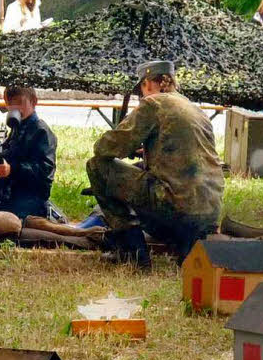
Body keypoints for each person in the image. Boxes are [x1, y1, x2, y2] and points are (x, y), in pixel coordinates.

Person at [85, 61, 224, 269]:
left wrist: (124, 147)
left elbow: (107, 147)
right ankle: (185, 247)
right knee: (142, 168)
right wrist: (148, 150)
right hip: (208, 213)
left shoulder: (154, 104)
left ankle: (132, 252)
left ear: (148, 83)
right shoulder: (194, 109)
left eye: (141, 89)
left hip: (175, 208)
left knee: (97, 166)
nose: (141, 96)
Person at [0, 86, 56, 219]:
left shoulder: (42, 131)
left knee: (10, 224)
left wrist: (12, 169)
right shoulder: (16, 127)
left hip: (30, 195)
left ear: (34, 101)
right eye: (10, 104)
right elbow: (6, 159)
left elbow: (44, 172)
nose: (14, 108)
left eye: (19, 103)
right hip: (8, 189)